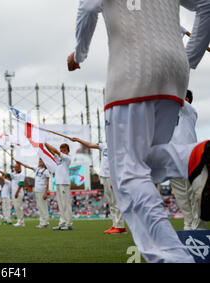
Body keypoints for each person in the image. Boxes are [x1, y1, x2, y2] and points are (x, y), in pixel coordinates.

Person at [68, 0, 209, 262]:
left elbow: (87, 9)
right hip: (175, 74)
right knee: (146, 163)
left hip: (131, 73)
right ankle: (197, 155)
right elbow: (206, 4)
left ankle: (172, 257)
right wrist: (189, 58)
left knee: (129, 173)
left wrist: (78, 55)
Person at [70, 137, 126, 234]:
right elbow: (89, 144)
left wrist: (115, 179)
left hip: (112, 177)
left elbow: (120, 164)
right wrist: (78, 140)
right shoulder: (104, 145)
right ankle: (115, 225)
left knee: (115, 202)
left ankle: (120, 227)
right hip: (104, 176)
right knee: (111, 202)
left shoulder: (119, 147)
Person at [169, 90, 206, 230]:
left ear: (187, 99)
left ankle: (198, 227)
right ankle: (188, 225)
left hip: (190, 157)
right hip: (173, 159)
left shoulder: (189, 110)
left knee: (193, 195)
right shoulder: (167, 115)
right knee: (181, 197)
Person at [45, 143, 73, 231]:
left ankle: (69, 224)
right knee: (60, 205)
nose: (62, 152)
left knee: (66, 204)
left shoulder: (67, 158)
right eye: (61, 150)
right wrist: (44, 143)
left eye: (64, 150)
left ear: (68, 151)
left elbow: (55, 151)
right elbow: (51, 151)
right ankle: (62, 222)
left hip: (64, 183)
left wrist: (45, 142)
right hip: (58, 183)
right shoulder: (58, 159)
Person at [17, 159, 51, 228]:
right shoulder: (37, 169)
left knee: (43, 206)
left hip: (42, 190)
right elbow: (28, 167)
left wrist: (46, 192)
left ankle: (46, 222)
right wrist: (21, 163)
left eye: (41, 161)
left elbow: (47, 182)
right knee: (40, 207)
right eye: (39, 161)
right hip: (37, 190)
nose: (39, 162)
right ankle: (42, 222)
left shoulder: (46, 171)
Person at [0, 162, 26, 227]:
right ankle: (19, 221)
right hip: (14, 193)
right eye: (14, 167)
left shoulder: (22, 174)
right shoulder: (14, 174)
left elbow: (21, 184)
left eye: (16, 167)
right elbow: (7, 174)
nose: (14, 168)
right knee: (16, 207)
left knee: (18, 207)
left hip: (18, 193)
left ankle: (21, 222)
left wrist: (17, 192)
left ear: (19, 168)